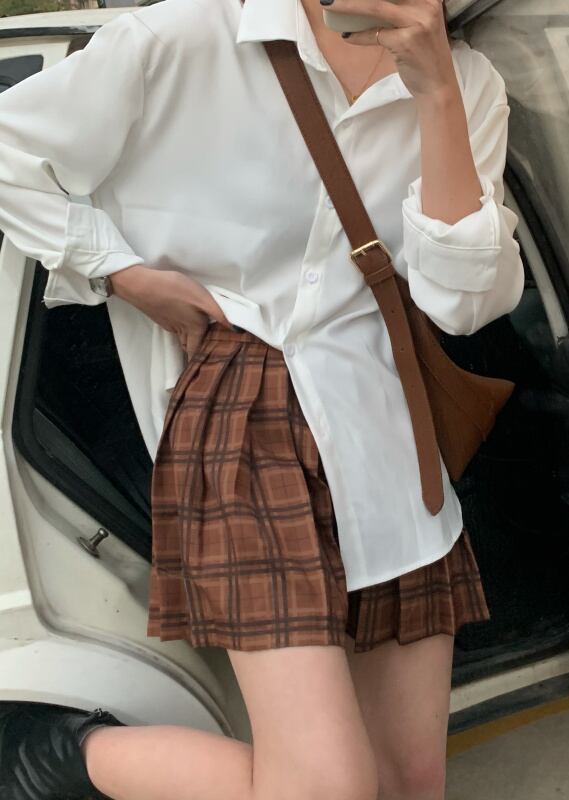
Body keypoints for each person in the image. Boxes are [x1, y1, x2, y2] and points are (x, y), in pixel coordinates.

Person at [0, 0, 524, 797]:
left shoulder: (470, 85)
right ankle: (59, 758)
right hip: (236, 422)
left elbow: (462, 303)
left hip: (387, 436)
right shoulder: (185, 41)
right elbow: (11, 151)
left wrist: (438, 95)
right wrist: (120, 272)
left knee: (412, 781)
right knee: (327, 787)